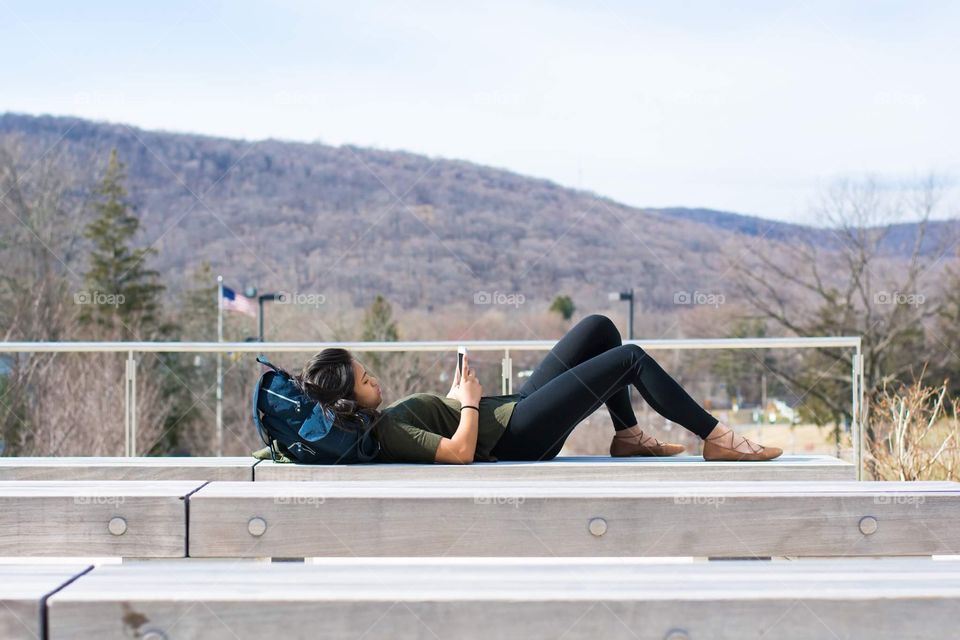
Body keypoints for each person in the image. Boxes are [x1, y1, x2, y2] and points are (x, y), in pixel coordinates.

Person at [294, 314, 782, 464]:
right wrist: (466, 402)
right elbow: (461, 453)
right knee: (629, 357)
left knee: (599, 330)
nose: (373, 376)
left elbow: (447, 429)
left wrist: (454, 394)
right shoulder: (389, 428)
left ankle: (628, 435)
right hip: (515, 436)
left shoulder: (386, 420)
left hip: (510, 413)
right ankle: (716, 437)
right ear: (348, 399)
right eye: (364, 379)